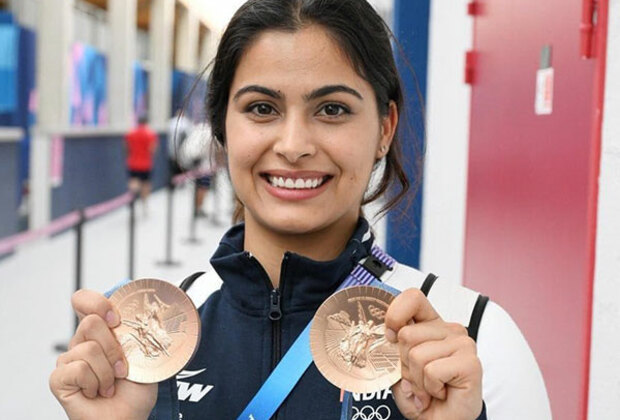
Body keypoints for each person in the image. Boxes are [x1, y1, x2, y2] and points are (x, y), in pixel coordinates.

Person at [49, 1, 552, 419]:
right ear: (223, 127)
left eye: (332, 109)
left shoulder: (475, 342)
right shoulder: (140, 349)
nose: (292, 145)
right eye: (262, 108)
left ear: (384, 128)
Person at [125, 115, 158, 213]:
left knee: (133, 182)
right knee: (145, 184)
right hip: (145, 164)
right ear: (146, 122)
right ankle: (144, 204)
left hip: (133, 163)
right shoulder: (151, 134)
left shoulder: (130, 133)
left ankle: (132, 200)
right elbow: (152, 150)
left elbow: (127, 148)